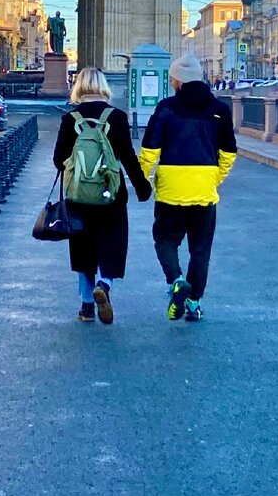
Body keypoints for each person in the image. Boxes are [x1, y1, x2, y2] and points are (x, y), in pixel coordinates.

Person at [139, 53, 237, 323]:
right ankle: (194, 304)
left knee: (165, 239)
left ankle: (177, 280)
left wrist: (142, 180)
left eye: (172, 78)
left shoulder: (166, 108)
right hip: (204, 190)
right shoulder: (220, 110)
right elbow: (229, 153)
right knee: (200, 250)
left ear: (179, 81)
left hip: (171, 188)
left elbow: (150, 150)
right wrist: (214, 179)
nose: (171, 81)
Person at [52, 67, 151, 324]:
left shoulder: (70, 118)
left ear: (80, 87)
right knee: (112, 244)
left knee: (83, 248)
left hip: (78, 197)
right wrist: (142, 188)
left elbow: (58, 160)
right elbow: (128, 157)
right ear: (103, 87)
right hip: (111, 196)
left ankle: (86, 306)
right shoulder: (116, 117)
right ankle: (104, 285)